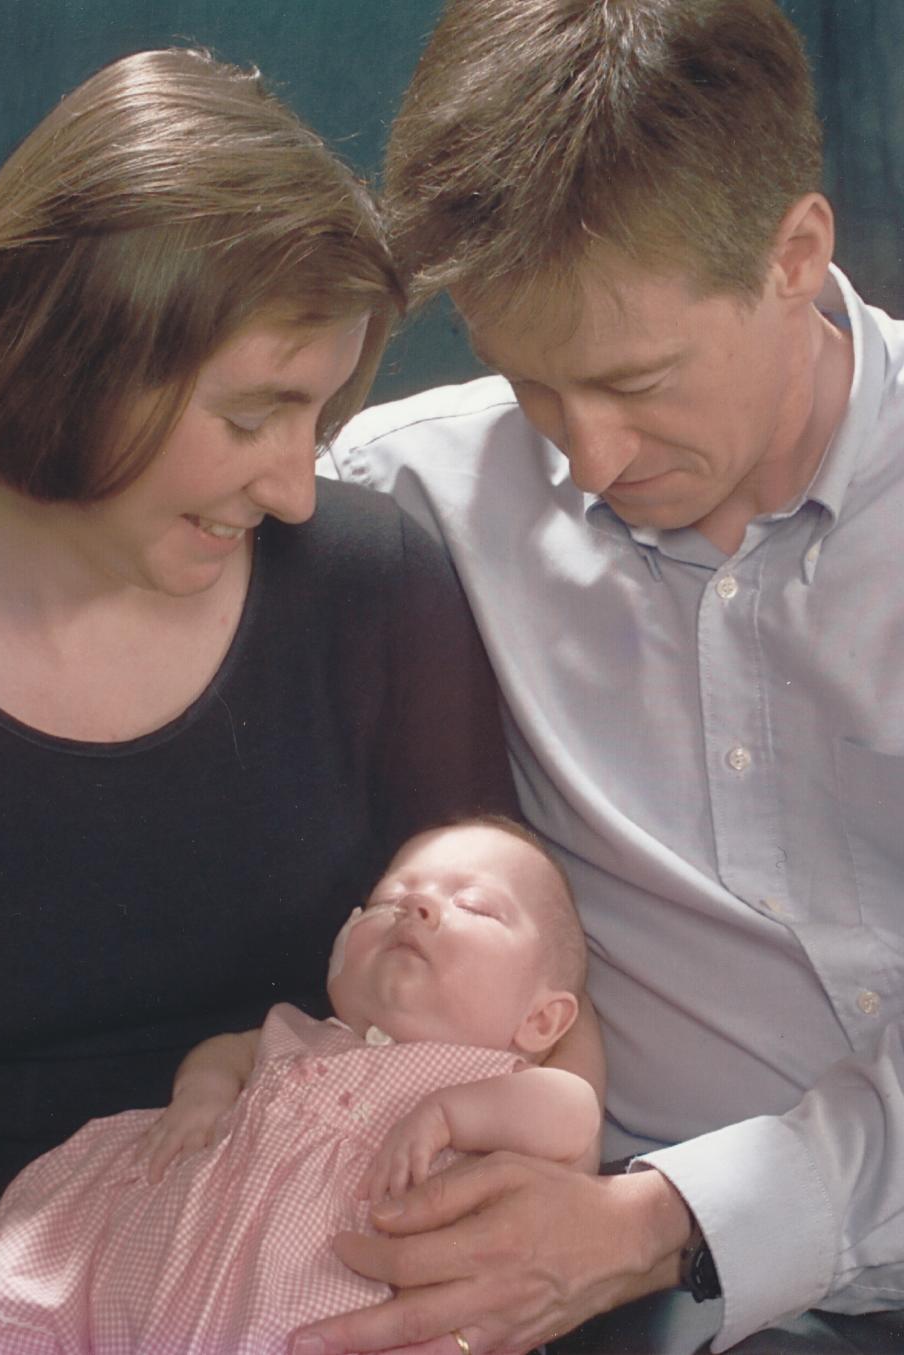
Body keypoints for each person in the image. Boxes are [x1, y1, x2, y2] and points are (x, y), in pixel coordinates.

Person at [295, 2, 904, 1354]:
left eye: (635, 379)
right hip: (648, 1312)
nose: (585, 452)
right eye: (533, 385)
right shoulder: (418, 494)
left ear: (796, 252)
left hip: (639, 1249)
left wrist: (659, 1218)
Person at [0, 46, 521, 1343]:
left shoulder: (375, 583)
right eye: (257, 412)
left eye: (316, 419)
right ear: (79, 351)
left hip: (312, 1279)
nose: (297, 489)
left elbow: (521, 1001)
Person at [0, 818, 601, 1354]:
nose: (420, 904)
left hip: (334, 1296)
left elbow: (572, 1113)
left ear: (541, 1018)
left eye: (476, 905)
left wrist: (448, 1116)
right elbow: (222, 1054)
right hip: (177, 1260)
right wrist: (202, 1096)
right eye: (390, 898)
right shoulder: (297, 1030)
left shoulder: (495, 1076)